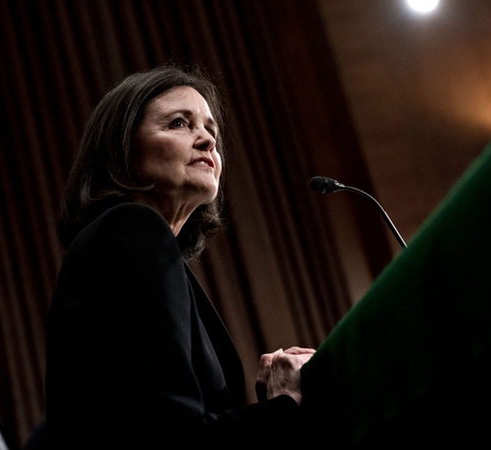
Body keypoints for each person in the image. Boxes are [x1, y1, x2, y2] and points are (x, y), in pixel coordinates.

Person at [45, 65, 316, 447]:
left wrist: (270, 401)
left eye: (212, 132)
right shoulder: (130, 231)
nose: (206, 140)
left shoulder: (133, 244)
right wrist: (288, 403)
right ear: (122, 149)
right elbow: (173, 440)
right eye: (178, 123)